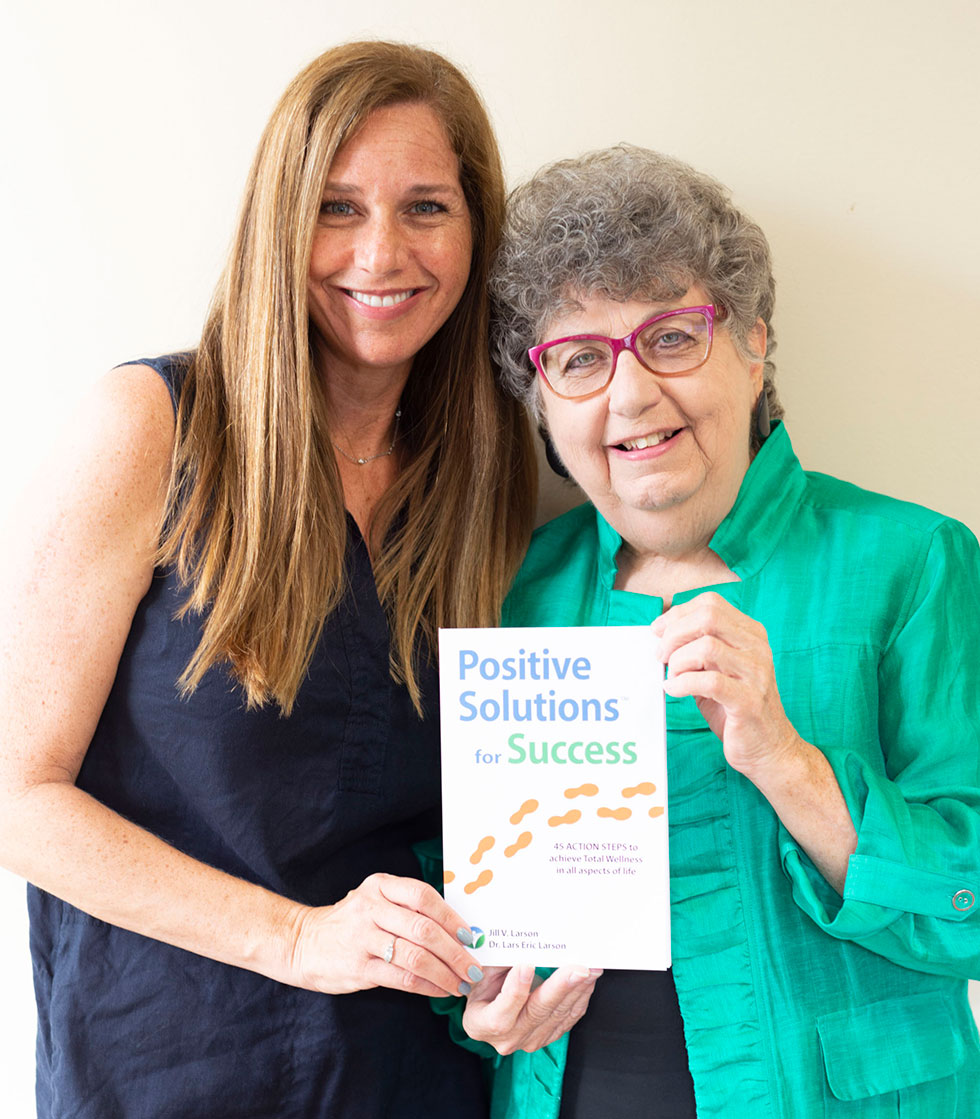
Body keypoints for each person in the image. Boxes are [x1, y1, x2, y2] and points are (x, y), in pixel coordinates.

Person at [0, 39, 596, 1118]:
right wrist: (297, 938)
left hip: (414, 1074)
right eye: (335, 207)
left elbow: (506, 811)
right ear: (279, 223)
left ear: (473, 233)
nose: (380, 252)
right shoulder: (148, 431)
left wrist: (516, 974)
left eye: (425, 207)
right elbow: (15, 795)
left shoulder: (494, 483)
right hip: (164, 1067)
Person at [463, 144, 980, 1116]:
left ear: (752, 345)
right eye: (577, 359)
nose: (627, 396)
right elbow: (465, 892)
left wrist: (789, 762)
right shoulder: (512, 594)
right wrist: (479, 998)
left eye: (669, 337)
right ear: (539, 401)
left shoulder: (913, 564)